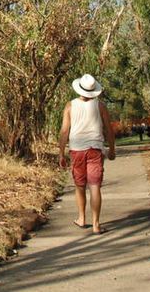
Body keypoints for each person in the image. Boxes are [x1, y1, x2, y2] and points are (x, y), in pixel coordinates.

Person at [58, 73, 115, 235]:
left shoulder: (70, 106)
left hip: (76, 150)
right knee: (95, 186)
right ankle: (96, 224)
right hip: (95, 149)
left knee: (80, 185)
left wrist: (61, 153)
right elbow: (109, 130)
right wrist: (111, 149)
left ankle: (82, 218)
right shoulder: (100, 106)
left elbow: (64, 131)